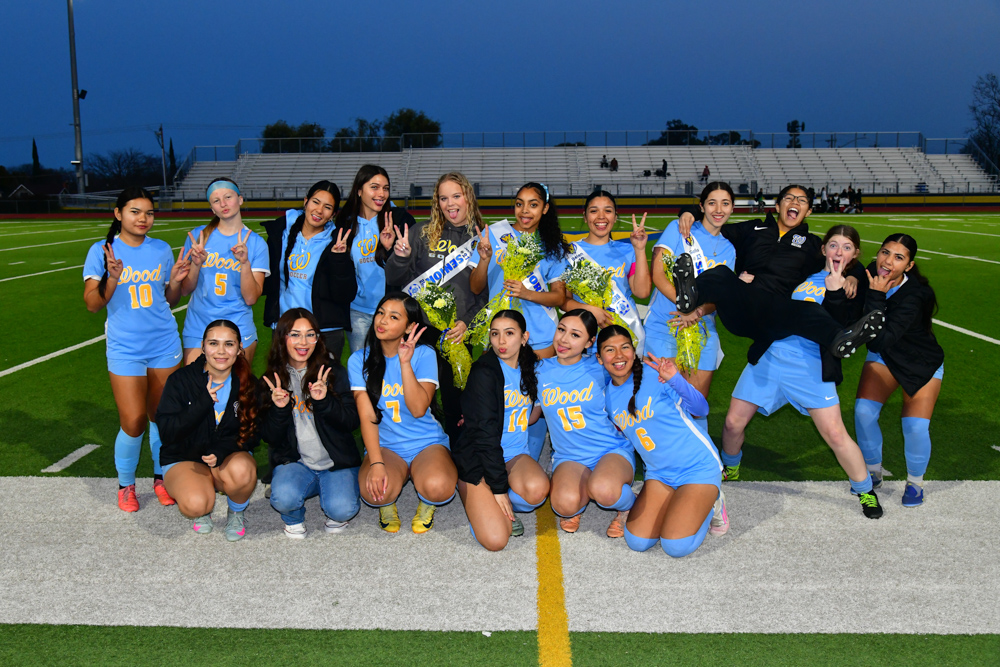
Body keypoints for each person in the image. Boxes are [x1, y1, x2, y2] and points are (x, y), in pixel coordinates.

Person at [719, 227, 883, 518]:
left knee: (835, 434)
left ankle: (865, 491)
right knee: (733, 423)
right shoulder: (804, 273)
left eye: (847, 247)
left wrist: (837, 290)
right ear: (823, 249)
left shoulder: (852, 289)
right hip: (772, 357)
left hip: (811, 367)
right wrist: (747, 283)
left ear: (856, 253)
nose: (839, 252)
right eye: (833, 245)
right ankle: (730, 466)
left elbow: (840, 330)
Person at [671, 184, 884, 364]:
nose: (795, 202)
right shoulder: (753, 229)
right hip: (741, 306)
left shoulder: (812, 245)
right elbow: (714, 220)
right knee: (721, 274)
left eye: (802, 200)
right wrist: (689, 211)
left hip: (775, 312)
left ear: (809, 211)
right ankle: (689, 297)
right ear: (778, 206)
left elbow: (842, 258)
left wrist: (853, 275)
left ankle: (840, 340)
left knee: (809, 309)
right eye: (789, 198)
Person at [83, 187, 190, 512]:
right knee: (133, 421)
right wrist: (112, 279)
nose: (143, 218)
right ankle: (126, 485)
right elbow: (92, 304)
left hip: (163, 343)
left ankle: (161, 479)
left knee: (162, 418)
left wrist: (175, 281)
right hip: (126, 347)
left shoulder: (161, 249)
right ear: (118, 214)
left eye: (149, 213)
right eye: (135, 211)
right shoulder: (102, 251)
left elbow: (170, 300)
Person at [598, 326, 728, 557]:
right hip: (659, 474)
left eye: (625, 347)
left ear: (633, 351)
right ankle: (679, 502)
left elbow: (701, 410)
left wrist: (676, 379)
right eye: (610, 350)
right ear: (600, 358)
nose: (619, 355)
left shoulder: (655, 375)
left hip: (696, 467)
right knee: (637, 541)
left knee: (675, 546)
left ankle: (713, 502)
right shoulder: (607, 397)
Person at [469, 181, 572, 460]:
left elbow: (559, 297)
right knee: (503, 398)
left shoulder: (552, 246)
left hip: (540, 335)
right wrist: (484, 259)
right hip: (500, 334)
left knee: (535, 402)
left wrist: (526, 293)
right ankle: (500, 458)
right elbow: (476, 287)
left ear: (545, 209)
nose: (525, 211)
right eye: (519, 203)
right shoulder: (495, 234)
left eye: (533, 204)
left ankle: (530, 460)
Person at [349, 293, 458, 533]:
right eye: (381, 313)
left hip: (426, 442)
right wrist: (377, 462)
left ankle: (427, 500)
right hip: (386, 446)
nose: (382, 320)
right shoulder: (359, 360)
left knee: (438, 487)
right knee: (375, 492)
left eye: (393, 317)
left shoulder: (424, 354)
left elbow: (418, 409)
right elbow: (366, 416)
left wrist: (405, 363)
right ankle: (389, 500)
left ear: (409, 327)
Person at [855, 234, 944, 508]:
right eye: (885, 252)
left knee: (915, 426)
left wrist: (876, 295)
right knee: (863, 412)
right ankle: (873, 470)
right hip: (885, 357)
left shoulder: (915, 295)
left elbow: (878, 340)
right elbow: (848, 270)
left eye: (898, 257)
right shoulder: (869, 273)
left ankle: (915, 482)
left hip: (919, 361)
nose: (888, 261)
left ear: (909, 265)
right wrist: (850, 280)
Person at [453, 311, 550, 550]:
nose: (501, 341)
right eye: (495, 334)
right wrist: (498, 489)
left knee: (537, 490)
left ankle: (496, 500)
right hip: (479, 458)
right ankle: (480, 496)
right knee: (497, 540)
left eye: (509, 333)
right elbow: (484, 436)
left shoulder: (530, 368)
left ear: (524, 337)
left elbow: (531, 414)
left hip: (513, 455)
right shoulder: (484, 372)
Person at [261, 309, 362, 538]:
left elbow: (351, 421)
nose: (303, 342)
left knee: (342, 509)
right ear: (282, 338)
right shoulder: (272, 380)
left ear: (318, 338)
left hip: (336, 462)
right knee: (283, 498)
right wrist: (279, 410)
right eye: (295, 335)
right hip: (296, 463)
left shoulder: (333, 372)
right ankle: (293, 517)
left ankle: (332, 493)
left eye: (310, 334)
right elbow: (269, 436)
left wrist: (325, 401)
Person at [156, 320, 259, 540]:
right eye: (213, 343)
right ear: (202, 347)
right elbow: (167, 433)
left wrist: (222, 451)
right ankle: (200, 491)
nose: (221, 351)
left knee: (243, 471)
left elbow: (253, 433)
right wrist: (202, 403)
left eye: (229, 344)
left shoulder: (248, 383)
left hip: (227, 455)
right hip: (185, 457)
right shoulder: (181, 380)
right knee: (196, 504)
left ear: (239, 348)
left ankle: (236, 511)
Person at [645, 183, 738, 424]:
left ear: (732, 208)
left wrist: (696, 312)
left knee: (695, 404)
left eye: (725, 203)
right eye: (712, 203)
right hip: (665, 324)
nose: (718, 209)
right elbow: (658, 275)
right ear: (701, 207)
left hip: (703, 327)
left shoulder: (729, 250)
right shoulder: (679, 228)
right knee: (664, 398)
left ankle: (696, 446)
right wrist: (685, 308)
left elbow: (719, 297)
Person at [539, 310, 636, 537]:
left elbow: (631, 375)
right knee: (563, 505)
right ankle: (581, 492)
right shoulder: (539, 370)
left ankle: (630, 504)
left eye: (575, 335)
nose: (564, 339)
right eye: (561, 330)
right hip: (569, 456)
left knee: (604, 491)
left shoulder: (600, 366)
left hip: (610, 450)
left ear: (590, 342)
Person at [385, 171, 487, 346]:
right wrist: (401, 258)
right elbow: (393, 279)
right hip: (418, 330)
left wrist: (467, 322)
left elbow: (485, 294)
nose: (450, 204)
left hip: (458, 333)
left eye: (456, 196)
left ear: (469, 197)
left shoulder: (482, 238)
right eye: (443, 198)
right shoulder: (420, 232)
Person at [260, 180, 357, 361]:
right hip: (285, 328)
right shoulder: (280, 232)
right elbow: (267, 281)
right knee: (283, 378)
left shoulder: (338, 240)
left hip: (325, 331)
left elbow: (345, 294)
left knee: (323, 379)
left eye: (327, 207)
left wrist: (339, 259)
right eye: (315, 202)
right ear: (306, 202)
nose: (319, 210)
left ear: (333, 214)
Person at [180, 178, 269, 363]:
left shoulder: (256, 243)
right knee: (195, 381)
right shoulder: (198, 236)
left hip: (239, 326)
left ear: (240, 199)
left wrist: (244, 263)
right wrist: (196, 264)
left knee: (237, 382)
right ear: (212, 208)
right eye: (216, 200)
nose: (223, 204)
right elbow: (185, 290)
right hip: (199, 325)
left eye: (228, 197)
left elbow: (251, 298)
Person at [335, 165, 416, 354]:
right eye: (374, 187)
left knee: (394, 364)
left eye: (385, 188)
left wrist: (390, 249)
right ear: (359, 190)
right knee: (363, 365)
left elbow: (411, 267)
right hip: (358, 311)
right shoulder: (345, 223)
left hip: (393, 311)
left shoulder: (400, 220)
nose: (381, 194)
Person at [563, 190, 650, 352]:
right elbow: (563, 301)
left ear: (615, 217)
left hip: (623, 334)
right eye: (594, 211)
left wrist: (639, 249)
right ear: (585, 216)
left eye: (608, 211)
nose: (601, 217)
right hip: (584, 335)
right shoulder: (569, 253)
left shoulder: (628, 250)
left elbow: (642, 292)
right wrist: (590, 310)